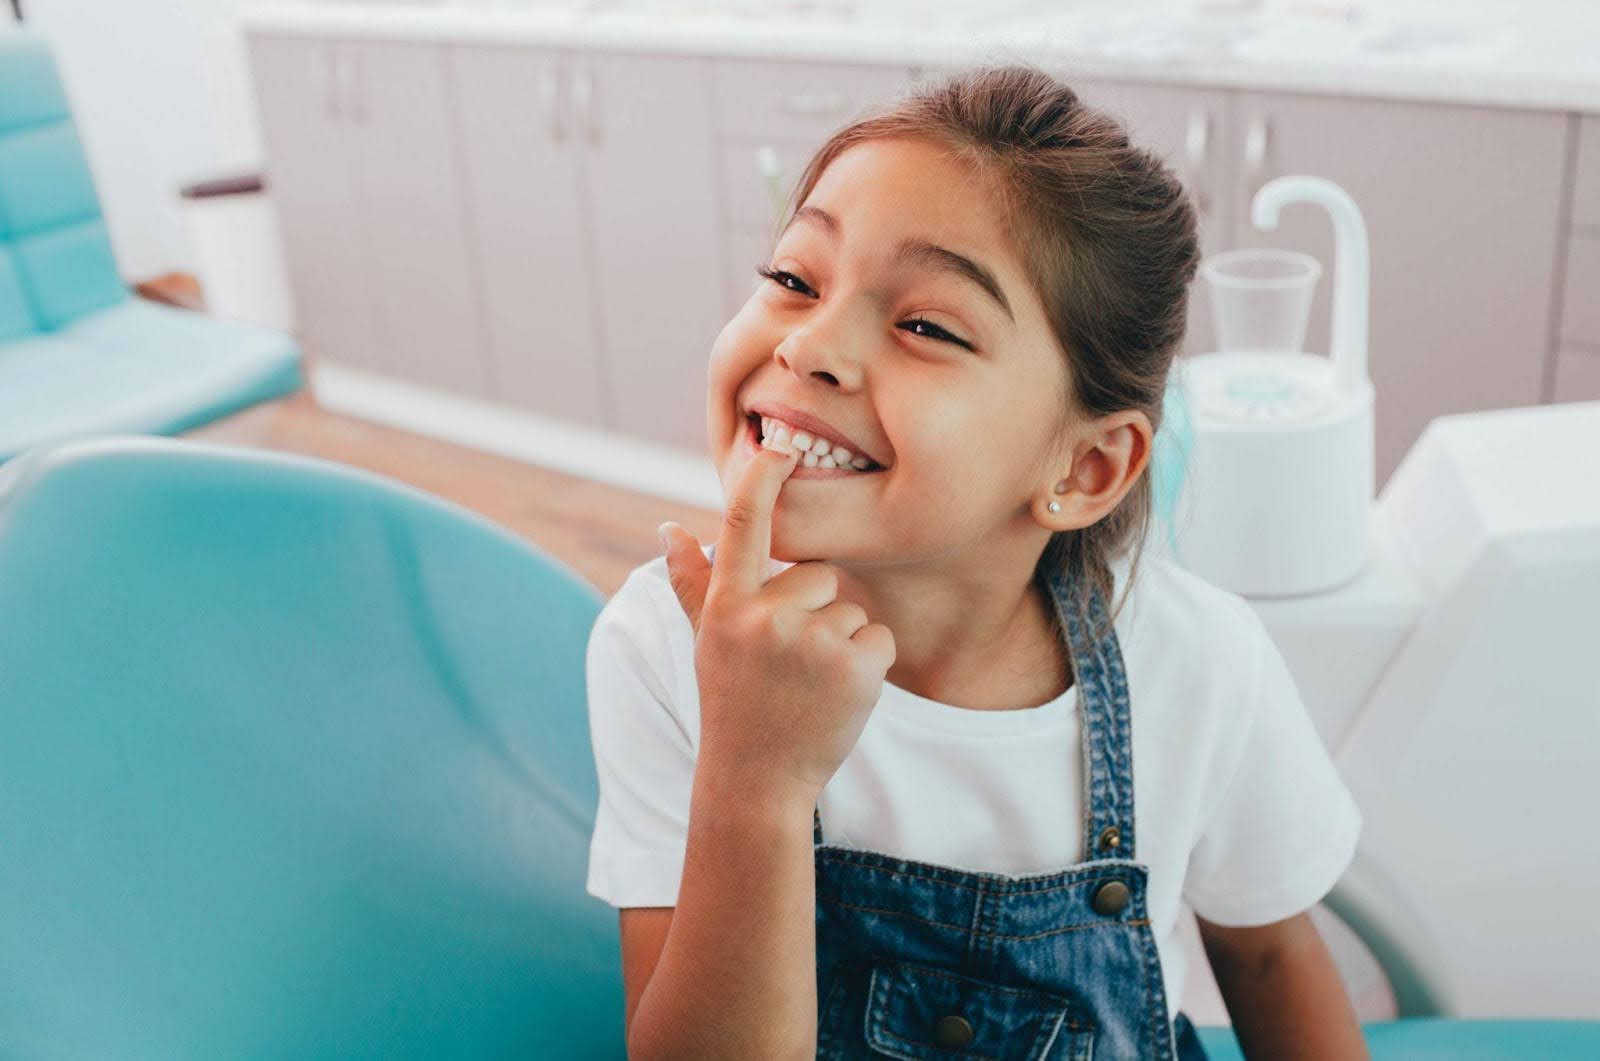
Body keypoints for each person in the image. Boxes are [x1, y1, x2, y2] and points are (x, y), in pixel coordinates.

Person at [584, 64, 1367, 1059]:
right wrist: (755, 776)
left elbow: (1267, 959)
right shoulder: (663, 644)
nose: (811, 345)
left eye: (925, 324)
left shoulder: (1203, 662)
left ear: (1084, 467)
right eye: (793, 277)